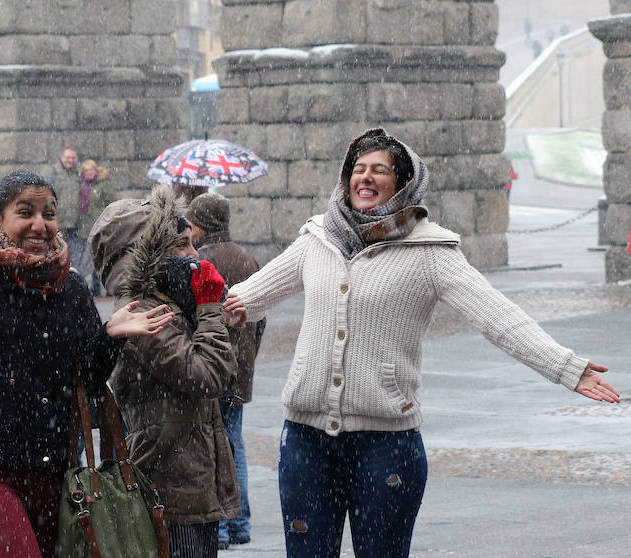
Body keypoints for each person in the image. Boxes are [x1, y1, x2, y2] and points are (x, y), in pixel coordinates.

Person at [222, 128, 620, 558]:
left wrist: (564, 367)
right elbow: (244, 299)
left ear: (403, 182)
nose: (365, 178)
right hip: (306, 443)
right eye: (358, 169)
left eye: (379, 170)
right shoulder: (318, 239)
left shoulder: (431, 250)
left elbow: (497, 316)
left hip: (385, 448)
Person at [0, 169, 173, 558]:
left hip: (53, 472)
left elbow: (85, 377)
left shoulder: (69, 288)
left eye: (48, 213)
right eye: (26, 212)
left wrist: (109, 337)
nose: (40, 224)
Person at [88, 185, 240, 558]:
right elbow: (206, 377)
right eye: (181, 246)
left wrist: (217, 318)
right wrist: (208, 310)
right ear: (146, 254)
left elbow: (223, 373)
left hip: (194, 485)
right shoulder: (144, 312)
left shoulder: (172, 302)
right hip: (171, 490)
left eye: (192, 243)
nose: (193, 255)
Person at [186, 192, 265, 550]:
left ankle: (217, 527)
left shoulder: (200, 261)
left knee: (210, 447)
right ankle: (240, 523)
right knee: (235, 444)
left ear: (201, 224)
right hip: (240, 371)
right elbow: (259, 319)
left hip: (212, 367)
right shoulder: (248, 259)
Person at [74, 159, 115, 296]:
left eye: (92, 169)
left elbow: (113, 203)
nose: (90, 172)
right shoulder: (81, 185)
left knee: (102, 257)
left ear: (96, 170)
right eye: (87, 170)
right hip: (85, 227)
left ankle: (107, 287)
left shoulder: (104, 184)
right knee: (90, 257)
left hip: (101, 226)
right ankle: (95, 287)